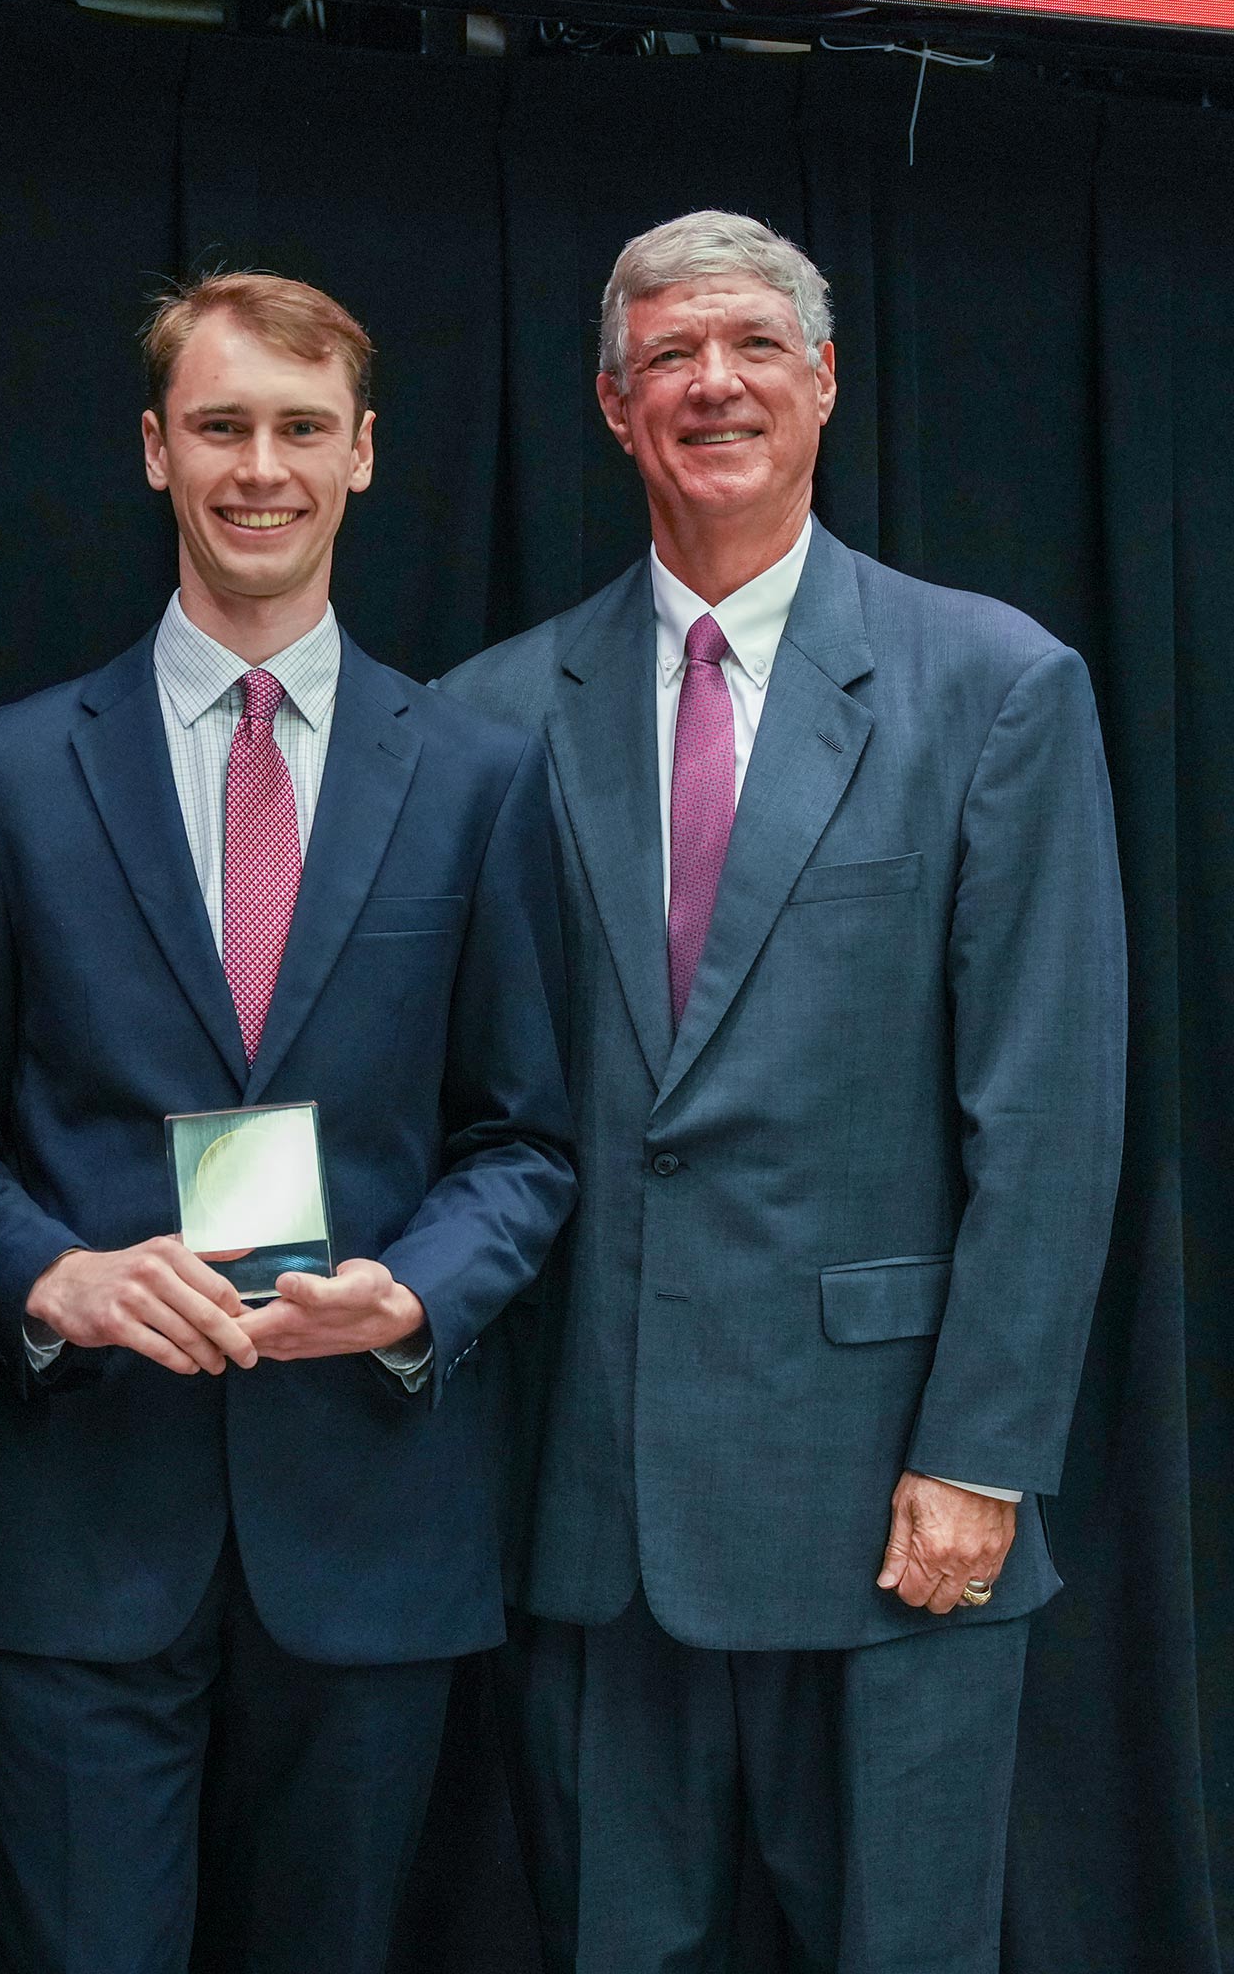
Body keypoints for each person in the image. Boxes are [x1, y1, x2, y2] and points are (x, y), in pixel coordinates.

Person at [441, 210, 1127, 1973]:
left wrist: (982, 1455)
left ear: (826, 382)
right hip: (589, 1508)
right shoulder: (492, 716)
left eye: (753, 346)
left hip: (895, 1509)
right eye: (669, 354)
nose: (713, 383)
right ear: (611, 405)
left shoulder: (995, 688)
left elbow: (1049, 1112)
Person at [0, 272, 575, 1974]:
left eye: (296, 428)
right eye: (219, 426)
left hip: (368, 1524)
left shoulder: (484, 776)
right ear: (153, 452)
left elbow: (525, 1138)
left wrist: (417, 1291)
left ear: (362, 456)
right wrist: (54, 1280)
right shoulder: (4, 774)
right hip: (83, 1531)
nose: (256, 466)